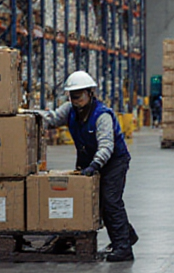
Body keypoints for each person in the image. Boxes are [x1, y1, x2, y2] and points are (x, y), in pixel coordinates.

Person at [41, 71, 138, 262]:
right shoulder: (69, 110)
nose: (75, 100)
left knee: (110, 201)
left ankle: (124, 248)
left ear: (90, 93)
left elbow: (106, 145)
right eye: (72, 96)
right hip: (87, 161)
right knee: (90, 201)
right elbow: (50, 119)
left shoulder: (102, 115)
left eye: (79, 95)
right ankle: (128, 235)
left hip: (113, 161)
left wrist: (95, 165)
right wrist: (27, 116)